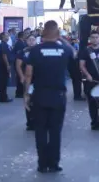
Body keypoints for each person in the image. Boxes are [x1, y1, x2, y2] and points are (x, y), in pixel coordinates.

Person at [23, 20, 74, 173]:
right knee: (55, 131)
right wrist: (62, 39)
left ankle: (42, 164)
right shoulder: (64, 49)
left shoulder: (35, 51)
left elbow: (28, 74)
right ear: (57, 33)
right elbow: (75, 53)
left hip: (39, 95)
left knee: (40, 130)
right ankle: (54, 163)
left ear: (43, 32)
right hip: (58, 95)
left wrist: (26, 95)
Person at [16, 35, 37, 131]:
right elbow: (18, 65)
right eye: (30, 40)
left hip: (38, 79)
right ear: (26, 41)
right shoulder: (23, 52)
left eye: (33, 40)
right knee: (28, 99)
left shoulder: (39, 51)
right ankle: (30, 122)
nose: (32, 41)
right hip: (28, 79)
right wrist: (21, 76)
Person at [0, 32, 14, 103]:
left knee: (4, 82)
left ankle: (4, 96)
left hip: (5, 65)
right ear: (3, 37)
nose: (8, 36)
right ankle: (3, 98)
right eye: (7, 35)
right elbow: (4, 55)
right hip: (3, 66)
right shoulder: (3, 44)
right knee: (3, 82)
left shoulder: (6, 44)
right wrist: (7, 65)